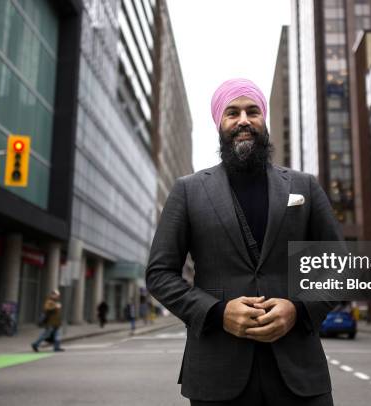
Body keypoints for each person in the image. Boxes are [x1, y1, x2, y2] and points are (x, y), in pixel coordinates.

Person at [146, 78, 342, 405]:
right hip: (216, 375)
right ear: (219, 124)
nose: (243, 120)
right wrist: (217, 313)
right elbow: (159, 274)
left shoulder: (304, 186)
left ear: (263, 121)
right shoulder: (187, 190)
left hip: (300, 374)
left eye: (253, 111)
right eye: (232, 113)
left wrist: (299, 309)